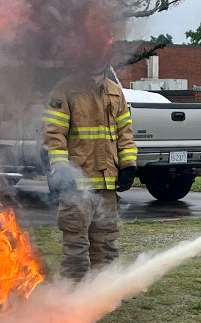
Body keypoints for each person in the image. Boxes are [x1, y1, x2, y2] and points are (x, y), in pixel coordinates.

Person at [41, 60, 138, 281]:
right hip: (77, 184)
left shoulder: (115, 92)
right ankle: (74, 294)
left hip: (107, 183)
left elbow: (125, 133)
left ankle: (102, 293)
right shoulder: (64, 90)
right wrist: (61, 171)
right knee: (76, 243)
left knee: (106, 243)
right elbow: (53, 136)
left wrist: (129, 164)